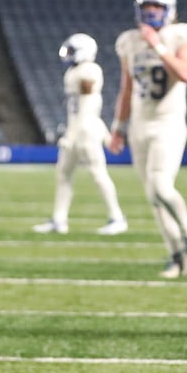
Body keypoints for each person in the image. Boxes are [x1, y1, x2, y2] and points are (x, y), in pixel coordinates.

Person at [108, 0, 187, 279]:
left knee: (161, 187)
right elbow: (127, 87)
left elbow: (185, 73)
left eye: (157, 7)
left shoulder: (182, 34)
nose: (151, 12)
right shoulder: (128, 41)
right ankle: (177, 256)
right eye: (146, 7)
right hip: (139, 124)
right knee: (153, 197)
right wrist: (118, 127)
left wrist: (158, 45)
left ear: (169, 11)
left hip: (169, 122)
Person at [33, 33, 128, 237]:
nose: (68, 54)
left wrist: (73, 135)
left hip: (85, 132)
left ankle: (117, 217)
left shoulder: (89, 71)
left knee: (98, 173)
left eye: (72, 50)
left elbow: (89, 107)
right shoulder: (76, 71)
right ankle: (59, 219)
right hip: (77, 129)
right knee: (63, 174)